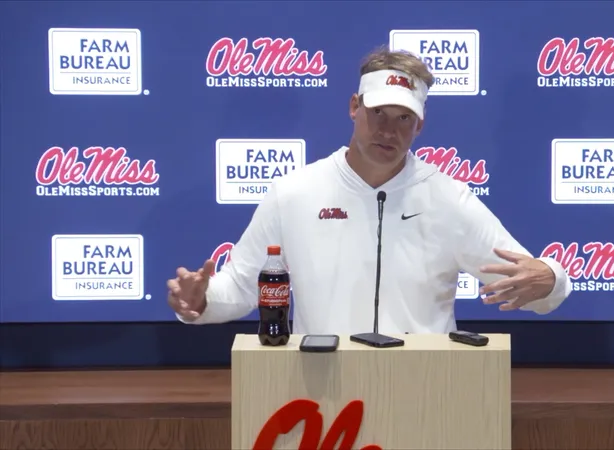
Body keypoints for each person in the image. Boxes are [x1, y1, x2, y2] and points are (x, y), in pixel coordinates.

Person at [167, 45, 572, 334]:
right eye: (378, 113)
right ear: (353, 107)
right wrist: (198, 302)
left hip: (424, 393)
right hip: (322, 391)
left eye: (403, 119)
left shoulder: (450, 200)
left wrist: (551, 277)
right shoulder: (294, 193)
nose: (387, 130)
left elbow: (534, 284)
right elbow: (238, 287)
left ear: (420, 126)